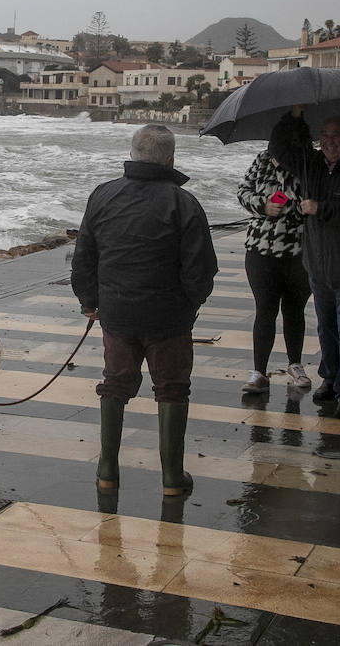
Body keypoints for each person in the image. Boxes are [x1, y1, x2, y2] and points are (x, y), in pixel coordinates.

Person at [71, 125, 218, 496]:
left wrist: (90, 302)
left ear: (133, 154)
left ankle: (107, 470)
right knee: (171, 390)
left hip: (116, 314)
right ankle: (172, 478)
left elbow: (84, 258)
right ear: (170, 159)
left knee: (115, 385)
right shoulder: (183, 203)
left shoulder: (103, 195)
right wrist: (191, 305)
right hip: (168, 318)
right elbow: (201, 269)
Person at [267, 108, 340, 421]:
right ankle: (331, 379)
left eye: (336, 135)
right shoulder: (312, 165)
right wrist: (292, 117)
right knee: (328, 329)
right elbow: (278, 149)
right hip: (319, 267)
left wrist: (322, 208)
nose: (329, 142)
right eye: (325, 135)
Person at [236, 149, 312, 394]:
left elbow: (302, 198)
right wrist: (263, 205)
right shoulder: (262, 159)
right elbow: (243, 191)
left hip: (299, 250)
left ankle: (295, 365)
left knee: (294, 309)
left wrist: (285, 171)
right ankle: (259, 372)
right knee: (265, 310)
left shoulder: (311, 162)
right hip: (261, 249)